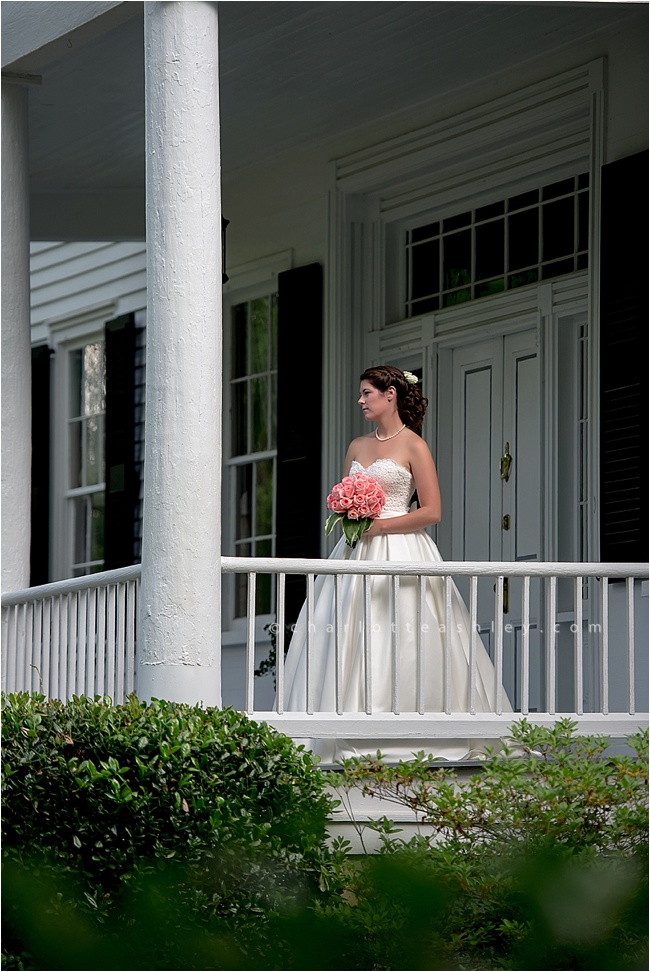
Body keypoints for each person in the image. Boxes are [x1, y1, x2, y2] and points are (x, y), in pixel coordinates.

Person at [281, 364, 511, 762]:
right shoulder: (356, 445)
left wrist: (380, 525)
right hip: (355, 551)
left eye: (367, 392)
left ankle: (414, 730)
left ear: (391, 395)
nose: (361, 400)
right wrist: (348, 513)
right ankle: (338, 727)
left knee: (406, 633)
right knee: (346, 632)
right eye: (360, 393)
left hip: (402, 549)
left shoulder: (414, 446)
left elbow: (433, 511)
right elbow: (341, 497)